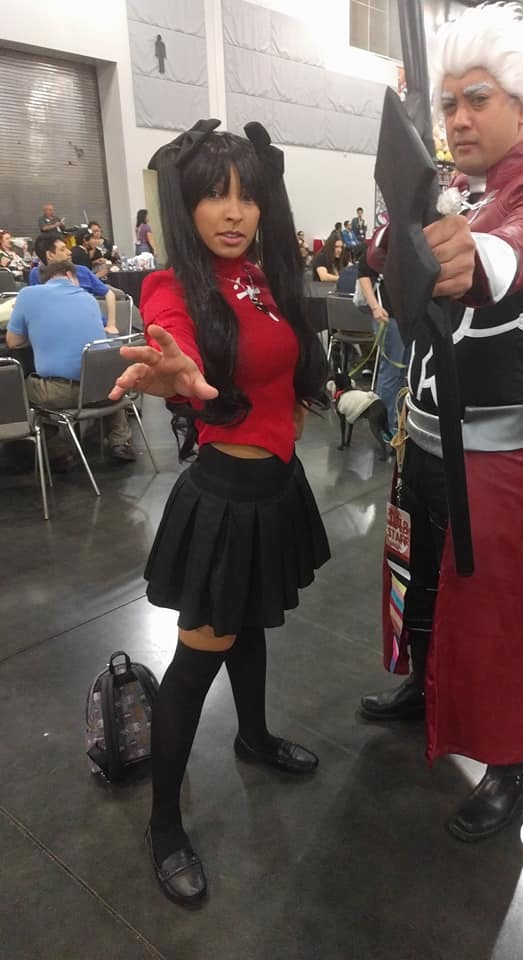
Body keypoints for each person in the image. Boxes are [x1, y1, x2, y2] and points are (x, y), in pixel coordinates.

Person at [359, 3, 523, 841]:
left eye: (479, 99)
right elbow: (385, 254)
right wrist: (406, 218)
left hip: (490, 445)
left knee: (487, 602)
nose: (459, 118)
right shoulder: (454, 191)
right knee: (416, 573)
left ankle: (509, 762)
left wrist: (473, 252)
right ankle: (422, 685)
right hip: (420, 429)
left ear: (520, 109)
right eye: (449, 102)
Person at [107, 119, 330, 906]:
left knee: (251, 622)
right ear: (186, 206)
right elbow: (178, 345)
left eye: (246, 195)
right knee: (197, 662)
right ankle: (164, 825)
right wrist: (179, 371)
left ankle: (254, 737)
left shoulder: (260, 277)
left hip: (274, 488)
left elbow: (278, 364)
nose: (234, 211)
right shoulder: (174, 287)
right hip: (225, 500)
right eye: (213, 195)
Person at [5, 260, 135, 463]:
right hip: (106, 392)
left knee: (18, 387)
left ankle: (56, 450)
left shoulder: (27, 295)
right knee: (102, 375)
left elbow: (12, 342)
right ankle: (120, 440)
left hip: (62, 394)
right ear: (70, 276)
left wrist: (38, 334)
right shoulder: (89, 299)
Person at [356, 245, 409, 436]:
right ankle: (386, 426)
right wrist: (375, 307)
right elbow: (364, 272)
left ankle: (397, 422)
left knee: (404, 374)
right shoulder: (383, 242)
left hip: (410, 317)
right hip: (389, 317)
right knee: (392, 372)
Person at [30, 234, 118, 332]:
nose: (69, 252)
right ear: (50, 255)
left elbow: (109, 293)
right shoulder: (37, 274)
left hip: (95, 326)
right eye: (63, 250)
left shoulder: (82, 271)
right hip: (61, 329)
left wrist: (111, 324)